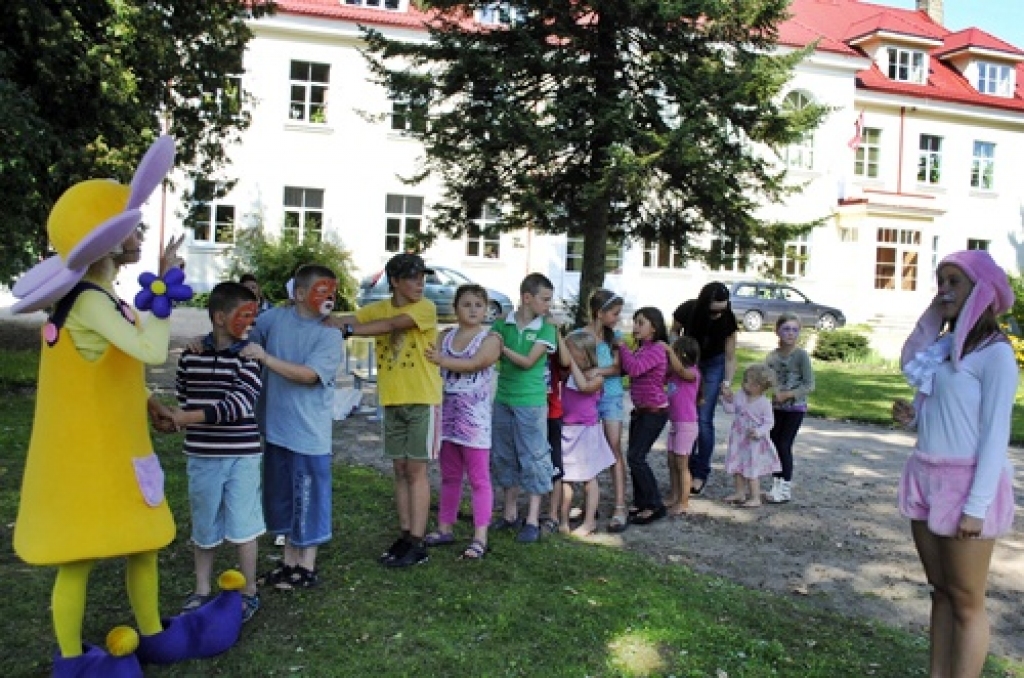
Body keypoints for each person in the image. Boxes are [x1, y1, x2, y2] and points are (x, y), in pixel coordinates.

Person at [11, 136, 245, 674]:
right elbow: (150, 349)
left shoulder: (101, 300)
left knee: (143, 543)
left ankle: (154, 634)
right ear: (107, 242)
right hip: (94, 458)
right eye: (131, 229)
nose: (138, 235)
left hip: (118, 450)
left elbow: (106, 366)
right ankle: (72, 659)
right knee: (79, 557)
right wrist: (162, 298)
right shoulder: (89, 302)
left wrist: (149, 401)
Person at [893, 249, 1016, 678]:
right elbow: (943, 406)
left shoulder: (996, 354)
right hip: (926, 478)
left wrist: (976, 507)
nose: (943, 289)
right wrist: (913, 418)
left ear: (981, 291)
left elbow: (995, 434)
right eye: (940, 280)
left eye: (954, 282)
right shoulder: (945, 347)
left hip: (966, 488)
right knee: (941, 592)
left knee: (966, 600)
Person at [333, 252, 443, 567]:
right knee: (400, 469)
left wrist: (349, 330)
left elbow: (392, 324)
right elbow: (351, 319)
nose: (420, 284)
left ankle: (417, 541)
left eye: (422, 278)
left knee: (417, 471)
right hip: (393, 400)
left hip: (422, 399)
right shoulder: (379, 308)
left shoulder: (425, 308)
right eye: (412, 278)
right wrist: (319, 316)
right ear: (394, 281)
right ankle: (405, 533)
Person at [168, 282, 264, 622]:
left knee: (243, 524)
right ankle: (202, 589)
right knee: (204, 522)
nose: (250, 322)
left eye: (253, 315)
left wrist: (187, 418)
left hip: (241, 455)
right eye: (244, 315)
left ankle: (249, 590)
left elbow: (238, 405)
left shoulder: (250, 356)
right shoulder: (190, 355)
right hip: (202, 455)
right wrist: (185, 415)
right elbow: (183, 393)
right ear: (220, 317)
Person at [249, 264, 343, 588]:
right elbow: (243, 334)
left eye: (332, 291)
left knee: (308, 500)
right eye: (321, 290)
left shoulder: (330, 335)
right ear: (300, 294)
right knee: (283, 498)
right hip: (277, 430)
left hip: (309, 436)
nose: (329, 297)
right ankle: (288, 563)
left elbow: (309, 375)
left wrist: (266, 358)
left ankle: (307, 566)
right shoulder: (274, 319)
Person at [423, 284, 502, 561]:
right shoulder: (444, 336)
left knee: (479, 479)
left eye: (478, 305)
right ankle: (445, 527)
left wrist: (441, 360)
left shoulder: (490, 339)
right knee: (449, 475)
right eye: (466, 304)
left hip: (475, 422)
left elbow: (475, 364)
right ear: (455, 308)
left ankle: (480, 536)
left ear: (486, 310)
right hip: (447, 418)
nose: (473, 310)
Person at [490, 272, 558, 543]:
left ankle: (532, 519)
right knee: (504, 454)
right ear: (527, 298)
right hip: (503, 398)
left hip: (531, 402)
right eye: (545, 299)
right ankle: (509, 513)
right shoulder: (502, 324)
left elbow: (528, 362)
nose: (548, 305)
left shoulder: (546, 328)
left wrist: (502, 348)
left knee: (534, 457)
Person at [672, 282, 738, 495]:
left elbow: (730, 356)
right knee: (685, 416)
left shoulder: (728, 320)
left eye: (722, 310)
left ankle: (700, 472)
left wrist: (726, 382)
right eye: (713, 311)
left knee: (703, 418)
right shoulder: (687, 310)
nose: (717, 315)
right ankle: (685, 468)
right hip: (690, 361)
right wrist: (677, 353)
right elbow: (673, 332)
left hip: (714, 364)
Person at [558, 330, 615, 536]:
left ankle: (589, 521)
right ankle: (563, 520)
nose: (566, 354)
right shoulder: (566, 375)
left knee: (589, 478)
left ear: (583, 353)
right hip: (568, 430)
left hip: (586, 431)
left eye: (570, 350)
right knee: (566, 478)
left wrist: (572, 363)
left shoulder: (596, 377)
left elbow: (583, 387)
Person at [619, 306, 671, 525]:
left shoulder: (657, 349)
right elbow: (627, 367)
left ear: (654, 327)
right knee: (634, 456)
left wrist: (621, 347)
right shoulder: (642, 349)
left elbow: (635, 369)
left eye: (641, 323)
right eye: (635, 322)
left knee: (637, 457)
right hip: (641, 411)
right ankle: (641, 501)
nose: (636, 327)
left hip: (654, 412)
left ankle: (654, 504)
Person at [583, 289, 629, 533]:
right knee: (587, 449)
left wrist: (598, 371)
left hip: (611, 396)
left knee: (614, 448)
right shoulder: (581, 336)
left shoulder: (615, 338)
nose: (617, 318)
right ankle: (589, 502)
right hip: (588, 397)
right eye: (614, 313)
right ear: (599, 313)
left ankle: (620, 505)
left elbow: (618, 368)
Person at [764, 313, 815, 504]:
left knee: (784, 445)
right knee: (774, 444)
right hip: (777, 408)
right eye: (786, 329)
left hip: (795, 408)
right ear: (777, 331)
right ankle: (776, 484)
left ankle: (785, 487)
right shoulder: (772, 357)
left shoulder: (801, 356)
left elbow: (809, 385)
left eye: (795, 330)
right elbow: (768, 379)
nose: (790, 333)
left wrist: (789, 394)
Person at [721, 363, 780, 508]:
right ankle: (739, 493)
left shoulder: (764, 403)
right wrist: (725, 398)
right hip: (738, 438)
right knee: (737, 465)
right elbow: (731, 409)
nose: (743, 383)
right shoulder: (741, 395)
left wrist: (759, 431)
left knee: (752, 469)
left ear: (757, 386)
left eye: (747, 381)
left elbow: (769, 422)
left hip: (753, 442)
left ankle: (755, 497)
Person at [665, 336, 701, 516]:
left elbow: (681, 370)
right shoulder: (673, 374)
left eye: (675, 353)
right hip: (675, 423)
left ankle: (683, 502)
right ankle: (674, 495)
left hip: (687, 425)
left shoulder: (693, 372)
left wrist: (668, 350)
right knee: (671, 461)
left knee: (682, 464)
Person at [541, 326, 571, 534]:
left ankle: (552, 514)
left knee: (555, 466)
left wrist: (556, 332)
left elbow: (566, 362)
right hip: (530, 410)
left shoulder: (553, 351)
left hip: (552, 413)